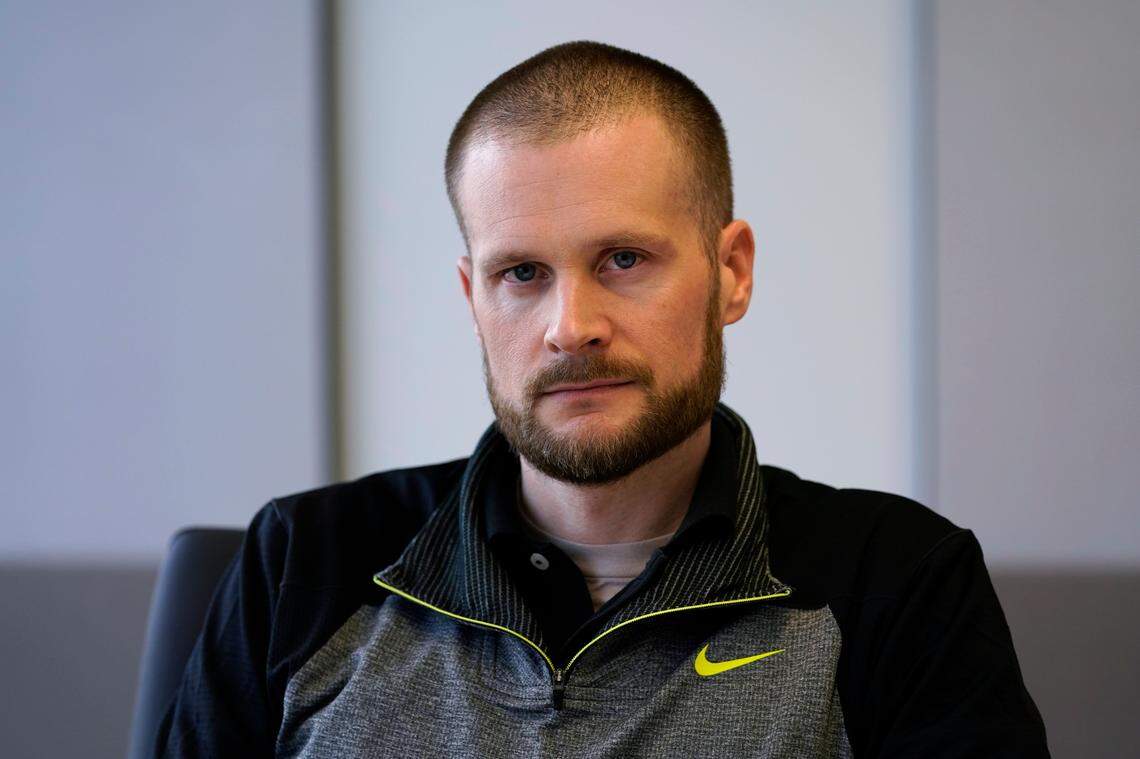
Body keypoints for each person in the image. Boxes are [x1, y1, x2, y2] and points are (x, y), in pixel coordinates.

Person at [155, 41, 1050, 757]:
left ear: (732, 272)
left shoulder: (898, 582)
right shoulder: (303, 563)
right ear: (473, 299)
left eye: (623, 259)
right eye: (522, 273)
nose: (570, 327)